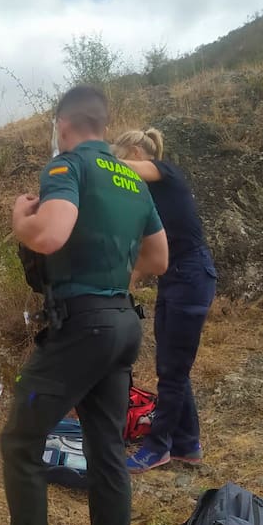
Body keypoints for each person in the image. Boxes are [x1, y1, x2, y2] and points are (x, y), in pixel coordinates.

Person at [0, 86, 168, 525]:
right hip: (124, 325)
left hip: (82, 329)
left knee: (19, 441)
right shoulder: (133, 176)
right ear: (104, 124)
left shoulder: (67, 166)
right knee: (107, 451)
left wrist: (19, 221)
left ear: (63, 125)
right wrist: (113, 282)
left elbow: (50, 235)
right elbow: (159, 257)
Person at [111, 128, 217, 473]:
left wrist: (98, 161)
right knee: (170, 367)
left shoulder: (166, 172)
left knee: (172, 371)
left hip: (193, 276)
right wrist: (122, 286)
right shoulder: (147, 200)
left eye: (122, 159)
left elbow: (131, 170)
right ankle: (188, 443)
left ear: (136, 155)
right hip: (174, 279)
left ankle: (159, 447)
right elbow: (146, 253)